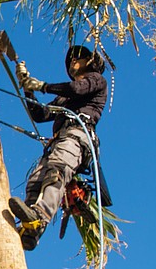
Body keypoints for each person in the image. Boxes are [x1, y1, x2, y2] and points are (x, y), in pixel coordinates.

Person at [9, 45, 108, 251]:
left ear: (90, 61)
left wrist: (42, 86)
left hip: (77, 137)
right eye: (71, 60)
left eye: (78, 58)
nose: (73, 62)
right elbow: (40, 114)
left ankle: (41, 215)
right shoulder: (66, 98)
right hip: (58, 141)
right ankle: (31, 228)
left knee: (57, 171)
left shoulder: (96, 80)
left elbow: (76, 89)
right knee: (35, 181)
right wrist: (27, 86)